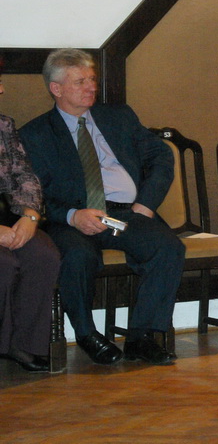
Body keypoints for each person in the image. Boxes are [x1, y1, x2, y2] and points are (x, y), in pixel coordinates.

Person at [19, 48, 185, 366]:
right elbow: (32, 194)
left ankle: (141, 337)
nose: (91, 87)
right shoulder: (35, 135)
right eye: (80, 81)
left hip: (123, 215)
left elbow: (160, 156)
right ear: (56, 88)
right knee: (77, 256)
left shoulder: (118, 117)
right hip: (70, 220)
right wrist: (72, 216)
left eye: (92, 79)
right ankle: (87, 334)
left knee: (167, 247)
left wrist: (145, 204)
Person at [0, 70, 60, 373]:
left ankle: (22, 344)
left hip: (8, 215)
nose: (1, 89)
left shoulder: (4, 125)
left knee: (42, 255)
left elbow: (24, 175)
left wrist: (30, 216)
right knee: (4, 263)